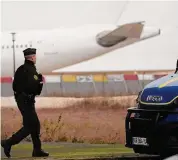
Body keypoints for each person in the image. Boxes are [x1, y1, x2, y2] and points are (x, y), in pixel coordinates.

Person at [1, 48, 49, 158]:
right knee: (30, 127)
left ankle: (37, 150)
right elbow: (35, 89)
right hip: (26, 101)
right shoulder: (31, 70)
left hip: (23, 100)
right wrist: (40, 82)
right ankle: (7, 143)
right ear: (32, 57)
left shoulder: (21, 69)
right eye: (35, 56)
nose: (35, 58)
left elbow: (14, 86)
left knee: (34, 125)